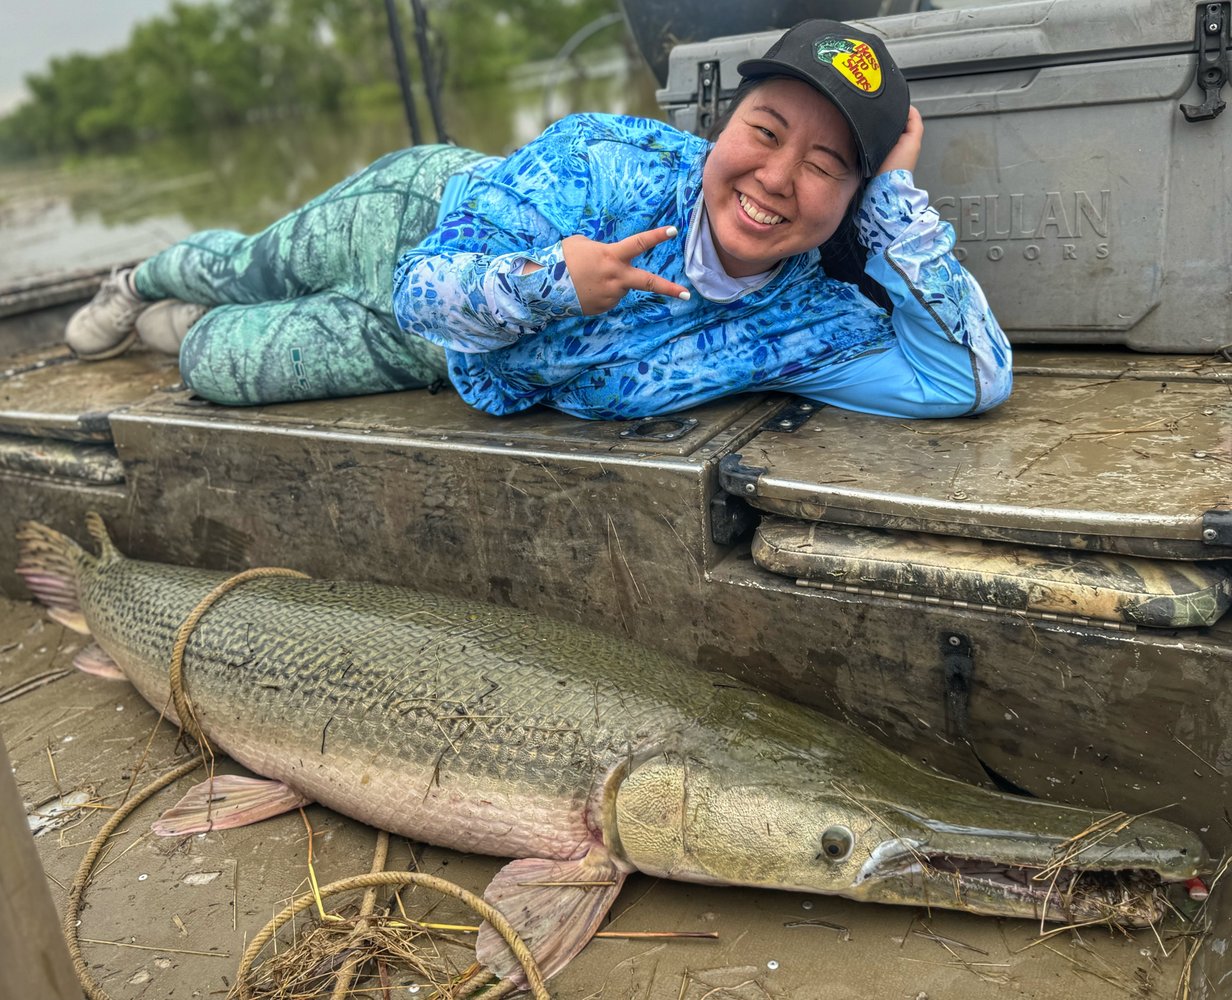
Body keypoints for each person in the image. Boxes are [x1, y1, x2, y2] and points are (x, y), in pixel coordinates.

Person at [65, 19, 1012, 421]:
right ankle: (143, 280)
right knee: (248, 268)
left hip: (440, 359)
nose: (775, 179)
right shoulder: (610, 159)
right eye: (765, 132)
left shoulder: (814, 323)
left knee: (212, 368)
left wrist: (896, 200)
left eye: (826, 167)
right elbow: (422, 288)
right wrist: (558, 282)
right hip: (413, 229)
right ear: (726, 123)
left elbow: (968, 377)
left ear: (851, 200)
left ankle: (177, 328)